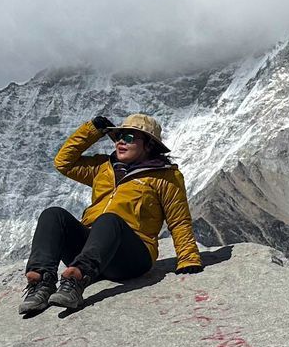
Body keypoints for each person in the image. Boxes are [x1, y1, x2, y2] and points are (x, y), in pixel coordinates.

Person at [21, 113, 202, 315]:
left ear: (149, 145)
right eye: (118, 137)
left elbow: (179, 220)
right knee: (53, 215)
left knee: (109, 220)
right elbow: (64, 162)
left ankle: (76, 280)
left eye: (130, 138)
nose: (121, 142)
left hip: (132, 256)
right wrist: (92, 131)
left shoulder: (166, 177)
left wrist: (188, 258)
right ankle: (41, 282)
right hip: (95, 250)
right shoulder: (102, 168)